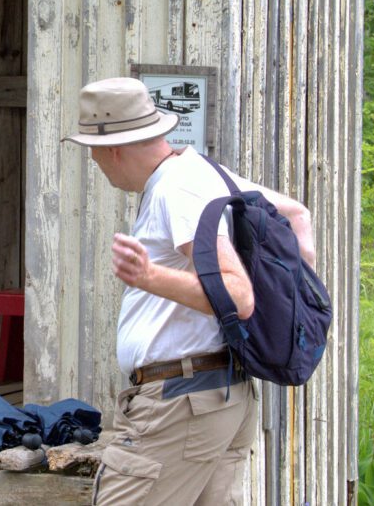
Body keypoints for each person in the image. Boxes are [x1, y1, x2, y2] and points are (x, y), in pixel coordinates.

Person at [63, 77, 315, 504]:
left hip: (181, 406)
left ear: (113, 150)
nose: (95, 162)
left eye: (92, 151)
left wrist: (149, 277)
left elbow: (238, 297)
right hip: (219, 396)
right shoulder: (200, 170)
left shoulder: (175, 189)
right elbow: (297, 215)